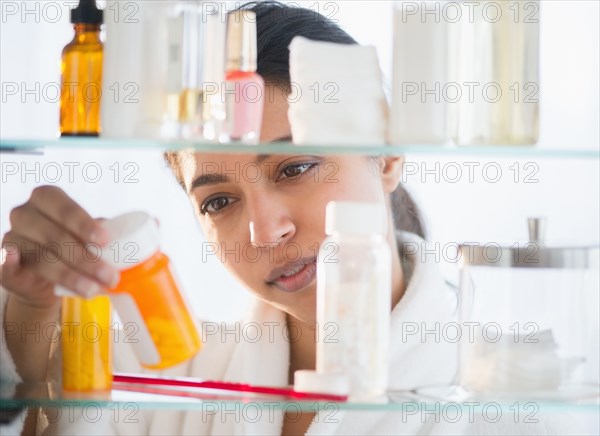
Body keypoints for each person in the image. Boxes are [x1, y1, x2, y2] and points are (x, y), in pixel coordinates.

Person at [0, 2, 589, 435]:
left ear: (386, 153)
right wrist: (31, 309)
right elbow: (47, 403)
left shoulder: (509, 393)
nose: (266, 230)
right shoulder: (174, 374)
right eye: (218, 201)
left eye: (296, 167)